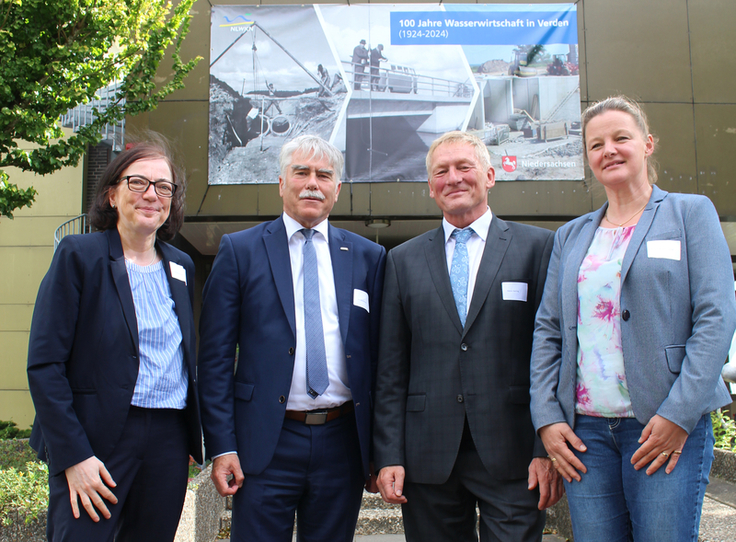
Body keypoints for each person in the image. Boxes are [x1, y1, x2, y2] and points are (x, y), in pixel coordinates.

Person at [530, 95, 736, 541]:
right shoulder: (570, 235)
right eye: (596, 144)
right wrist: (547, 418)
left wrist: (679, 415)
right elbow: (548, 330)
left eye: (621, 137)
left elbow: (716, 317)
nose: (609, 150)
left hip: (662, 423)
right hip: (583, 434)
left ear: (647, 144)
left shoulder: (690, 213)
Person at [373, 131, 561, 542]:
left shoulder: (539, 247)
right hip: (427, 457)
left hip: (513, 455)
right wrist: (389, 455)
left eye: (464, 167)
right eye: (442, 171)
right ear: (430, 187)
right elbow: (390, 368)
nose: (453, 178)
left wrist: (543, 449)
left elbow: (551, 356)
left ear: (490, 176)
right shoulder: (402, 260)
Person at [198, 134, 386, 542]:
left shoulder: (369, 258)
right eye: (301, 172)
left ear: (338, 188)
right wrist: (221, 446)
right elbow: (213, 359)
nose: (312, 183)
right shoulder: (240, 251)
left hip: (342, 442)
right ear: (282, 183)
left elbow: (380, 359)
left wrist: (379, 449)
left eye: (324, 175)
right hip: (265, 441)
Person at [27, 138, 203, 541]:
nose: (151, 195)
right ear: (111, 193)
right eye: (138, 182)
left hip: (167, 440)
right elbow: (44, 365)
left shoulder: (181, 266)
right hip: (97, 439)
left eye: (164, 186)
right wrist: (75, 456)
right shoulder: (79, 255)